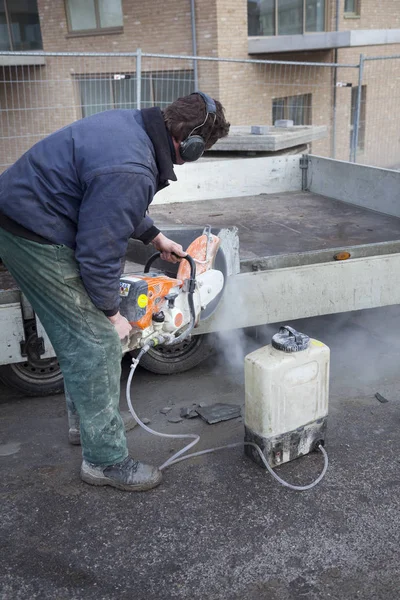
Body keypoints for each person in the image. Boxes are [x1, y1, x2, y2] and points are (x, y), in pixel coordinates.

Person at [0, 92, 230, 492]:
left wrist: (153, 235)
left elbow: (107, 200)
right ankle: (104, 460)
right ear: (190, 143)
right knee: (96, 342)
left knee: (78, 337)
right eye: (200, 149)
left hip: (26, 216)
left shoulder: (134, 129)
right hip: (33, 233)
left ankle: (86, 423)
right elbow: (98, 251)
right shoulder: (132, 167)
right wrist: (111, 314)